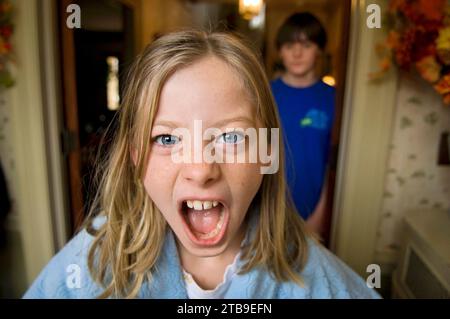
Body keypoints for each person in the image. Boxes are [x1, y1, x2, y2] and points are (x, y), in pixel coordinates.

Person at [24, 30, 378, 299]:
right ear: (135, 158)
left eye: (230, 137)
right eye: (166, 139)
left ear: (267, 153)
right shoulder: (92, 261)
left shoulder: (316, 278)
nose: (201, 169)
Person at [271, 13, 335, 239]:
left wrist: (321, 214)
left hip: (313, 210)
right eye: (289, 45)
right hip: (266, 209)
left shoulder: (333, 98)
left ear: (319, 50)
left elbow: (332, 166)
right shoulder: (265, 94)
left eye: (306, 45)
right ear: (280, 50)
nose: (297, 53)